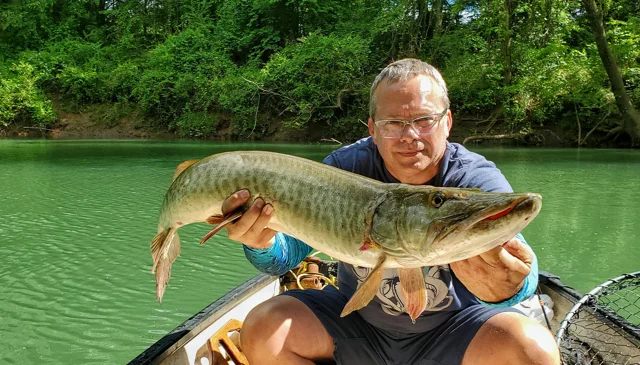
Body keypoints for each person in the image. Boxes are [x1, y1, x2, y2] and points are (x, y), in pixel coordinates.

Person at [221, 59, 560, 365]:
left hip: (454, 330)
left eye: (424, 120)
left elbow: (523, 269)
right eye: (393, 123)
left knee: (534, 350)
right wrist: (260, 244)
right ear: (372, 128)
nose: (409, 136)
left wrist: (512, 288)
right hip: (357, 326)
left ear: (447, 122)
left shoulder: (474, 180)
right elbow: (288, 256)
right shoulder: (345, 169)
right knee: (265, 328)